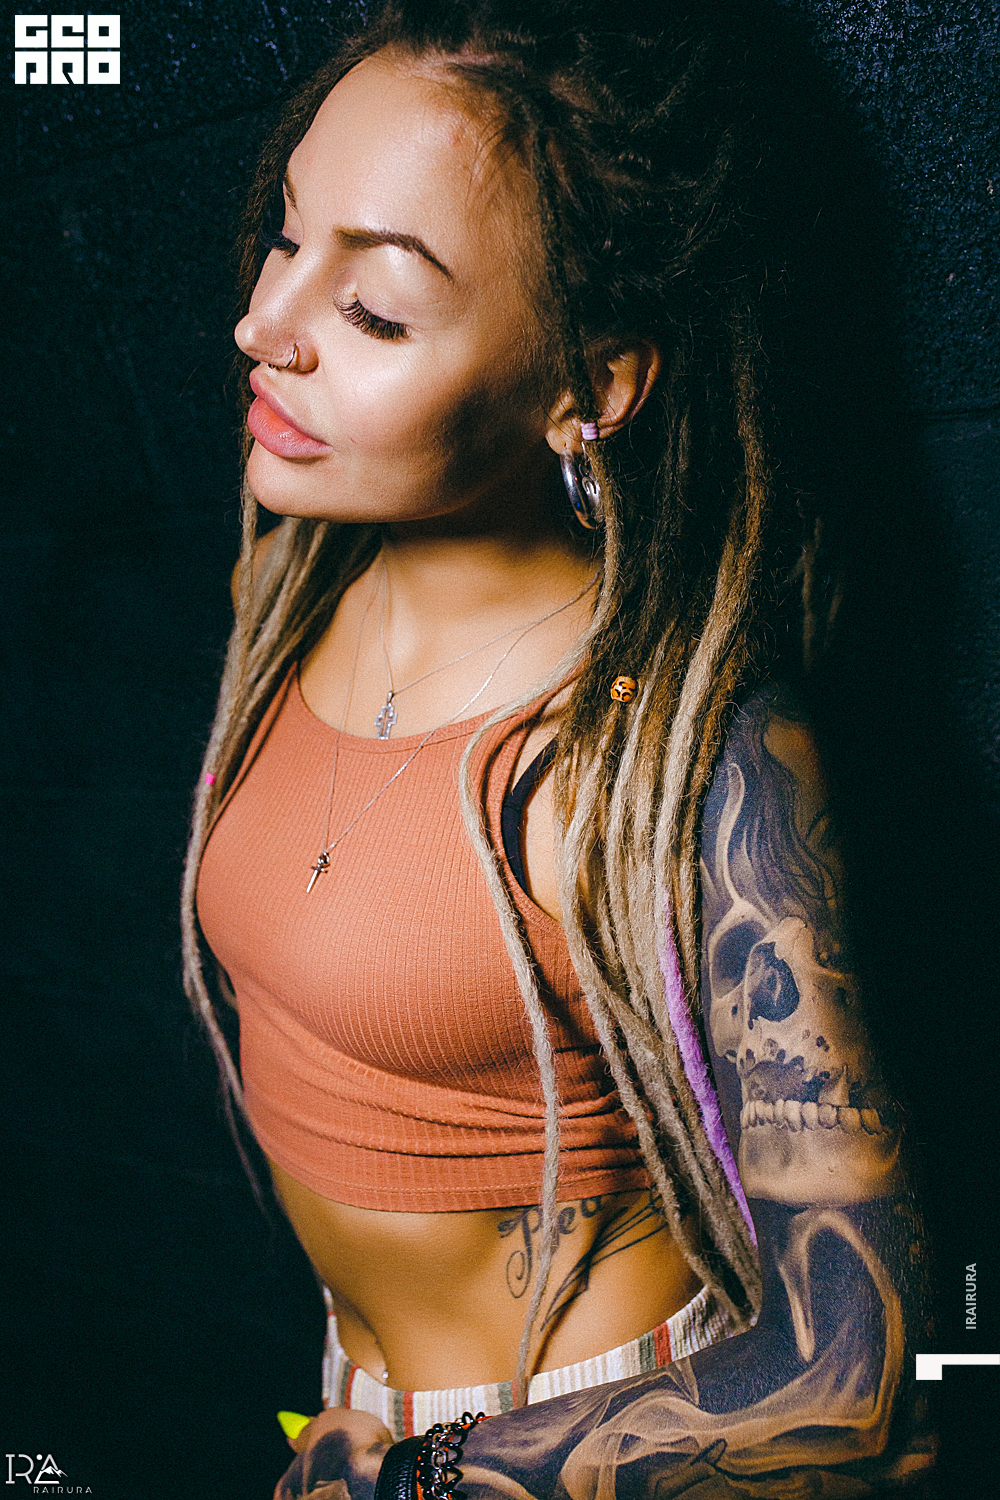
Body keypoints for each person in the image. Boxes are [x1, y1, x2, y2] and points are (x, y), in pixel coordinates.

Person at [183, 2, 933, 1494]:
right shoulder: (292, 576)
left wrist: (410, 1481)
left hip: (590, 1439)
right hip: (354, 1399)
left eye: (375, 311)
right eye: (287, 236)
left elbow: (862, 1393)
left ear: (589, 389)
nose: (266, 326)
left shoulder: (674, 752)